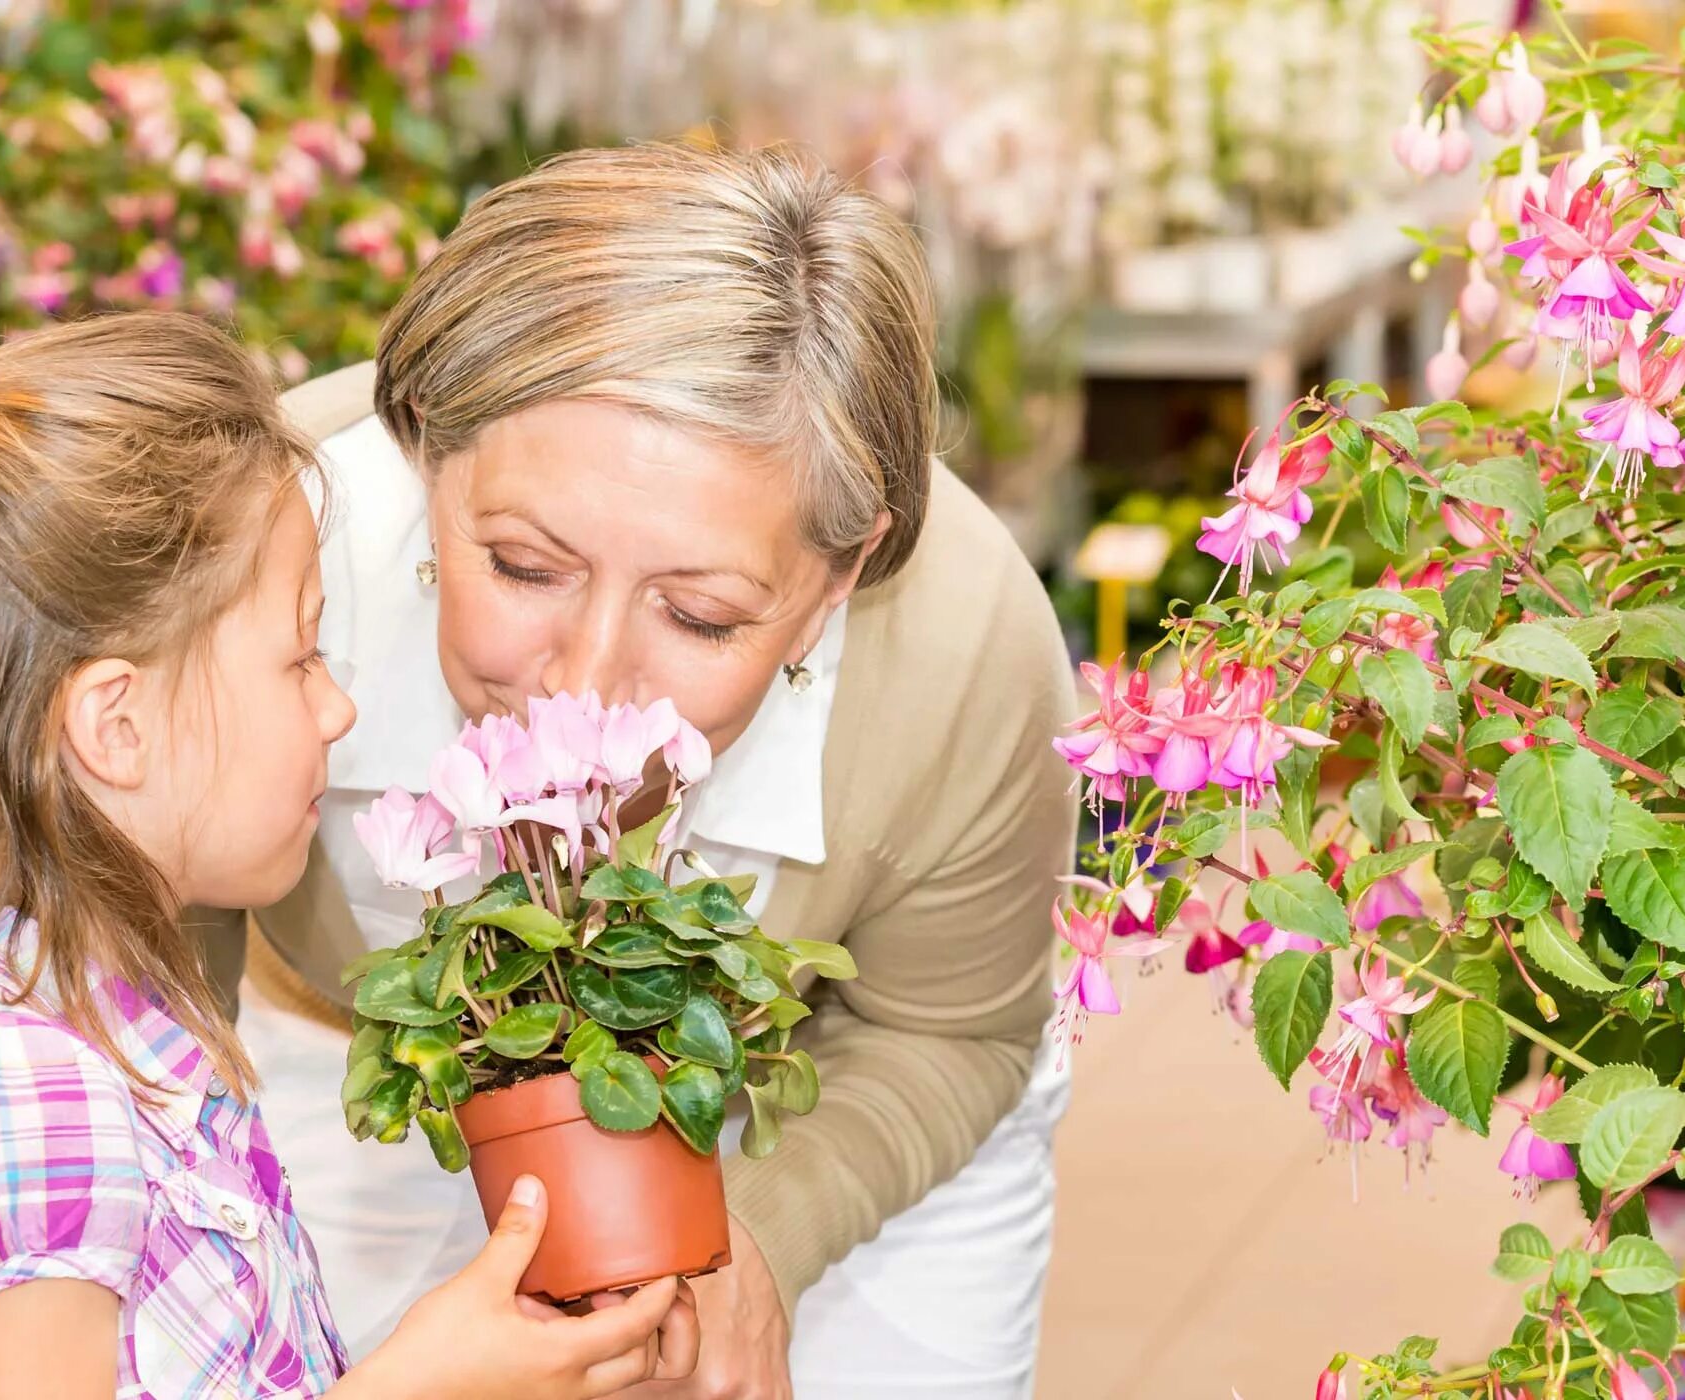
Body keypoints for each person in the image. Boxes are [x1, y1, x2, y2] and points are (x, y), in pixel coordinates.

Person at [195, 143, 1080, 1399]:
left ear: (841, 573)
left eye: (704, 616)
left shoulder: (963, 650)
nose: (585, 682)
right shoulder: (249, 556)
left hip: (826, 1093)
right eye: (521, 565)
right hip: (367, 1076)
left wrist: (759, 1235)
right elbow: (128, 984)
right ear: (424, 459)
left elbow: (948, 1029)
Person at [0, 312, 698, 1399]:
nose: (337, 706)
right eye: (300, 655)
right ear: (115, 726)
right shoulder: (10, 1087)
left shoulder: (97, 1010)